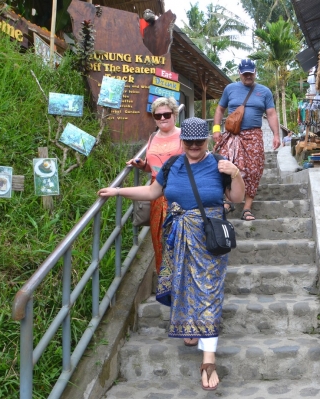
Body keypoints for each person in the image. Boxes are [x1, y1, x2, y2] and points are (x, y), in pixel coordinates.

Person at [98, 118, 245, 391]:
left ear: (207, 140)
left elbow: (236, 198)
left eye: (199, 141)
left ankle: (208, 359)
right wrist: (118, 190)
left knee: (208, 291)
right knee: (184, 286)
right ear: (182, 142)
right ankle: (191, 328)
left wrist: (236, 173)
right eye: (188, 142)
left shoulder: (219, 164)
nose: (193, 146)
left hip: (209, 238)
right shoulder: (172, 165)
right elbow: (153, 192)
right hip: (177, 235)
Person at [212, 58, 280, 221]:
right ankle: (228, 202)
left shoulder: (264, 92)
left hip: (254, 136)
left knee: (253, 170)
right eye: (245, 74)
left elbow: (271, 114)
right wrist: (216, 130)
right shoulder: (230, 89)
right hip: (232, 135)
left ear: (255, 72)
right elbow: (220, 109)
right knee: (226, 165)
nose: (248, 76)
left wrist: (276, 134)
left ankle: (247, 208)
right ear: (239, 73)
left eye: (251, 73)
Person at [127, 97, 182, 278]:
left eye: (167, 114)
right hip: (156, 191)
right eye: (158, 116)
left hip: (179, 191)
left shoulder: (184, 135)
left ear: (174, 115)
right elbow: (153, 167)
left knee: (179, 235)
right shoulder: (152, 137)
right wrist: (142, 165)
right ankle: (165, 278)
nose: (163, 118)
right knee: (159, 236)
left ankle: (181, 277)